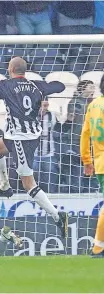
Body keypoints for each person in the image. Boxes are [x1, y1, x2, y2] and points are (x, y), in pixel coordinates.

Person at [0, 57, 68, 238]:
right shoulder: (36, 85)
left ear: (10, 69)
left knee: (29, 184)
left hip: (22, 139)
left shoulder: (5, 85)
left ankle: (57, 217)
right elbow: (60, 87)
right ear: (24, 71)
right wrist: (46, 88)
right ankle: (4, 186)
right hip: (20, 135)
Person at [53, 80, 98, 193]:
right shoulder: (76, 103)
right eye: (90, 87)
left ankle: (92, 191)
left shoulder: (95, 103)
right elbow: (76, 119)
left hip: (92, 142)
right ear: (82, 89)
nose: (93, 89)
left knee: (92, 170)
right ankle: (76, 192)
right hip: (77, 142)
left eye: (93, 87)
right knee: (77, 172)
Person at [80, 74, 104, 257]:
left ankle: (99, 246)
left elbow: (85, 134)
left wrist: (87, 160)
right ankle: (98, 247)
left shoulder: (93, 105)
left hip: (100, 162)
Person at [33, 101, 59, 193]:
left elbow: (57, 130)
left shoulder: (51, 115)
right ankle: (34, 194)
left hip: (49, 154)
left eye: (46, 104)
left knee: (51, 172)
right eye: (43, 105)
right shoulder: (31, 115)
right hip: (34, 154)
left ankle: (51, 195)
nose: (45, 107)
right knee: (33, 173)